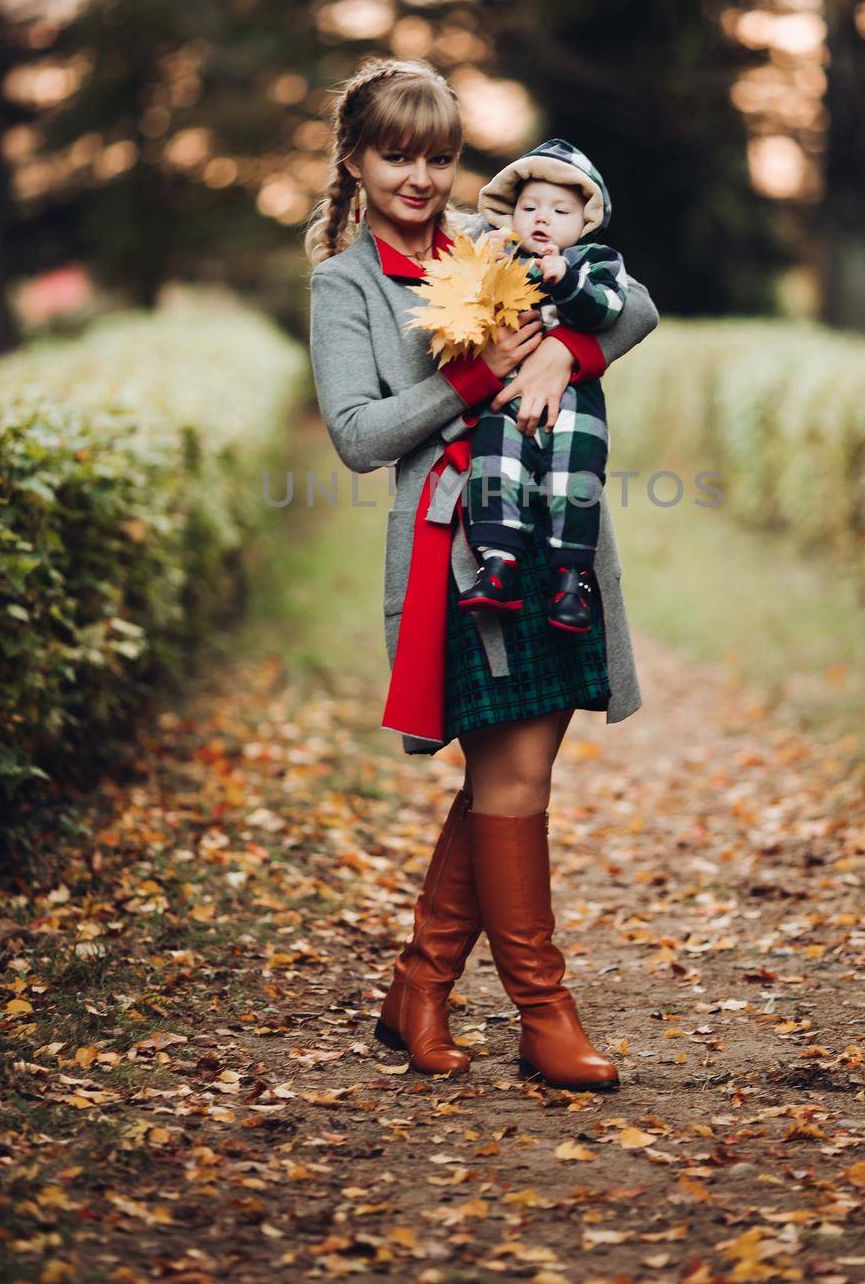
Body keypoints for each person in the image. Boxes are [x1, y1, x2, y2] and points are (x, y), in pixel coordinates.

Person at [306, 57, 658, 1092]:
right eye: (395, 154)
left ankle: (420, 981)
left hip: (555, 539)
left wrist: (563, 360)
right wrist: (479, 373)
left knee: (509, 772)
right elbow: (359, 434)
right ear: (356, 161)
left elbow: (628, 303)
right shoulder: (346, 283)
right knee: (513, 774)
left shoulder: (494, 241)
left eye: (439, 156)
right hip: (456, 551)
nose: (419, 176)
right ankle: (543, 1012)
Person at [456, 139, 629, 636]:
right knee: (493, 467)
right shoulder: (499, 257)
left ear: (584, 222)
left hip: (574, 406)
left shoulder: (596, 260)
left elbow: (610, 311)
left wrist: (566, 282)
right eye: (529, 207)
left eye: (559, 210)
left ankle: (572, 580)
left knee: (573, 484)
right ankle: (497, 565)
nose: (542, 219)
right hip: (505, 396)